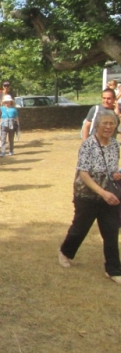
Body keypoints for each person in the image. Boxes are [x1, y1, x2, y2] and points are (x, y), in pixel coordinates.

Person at [59, 109, 121, 284]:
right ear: (97, 125)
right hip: (87, 194)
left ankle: (113, 269)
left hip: (109, 195)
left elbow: (112, 169)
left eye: (112, 123)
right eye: (105, 123)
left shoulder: (115, 145)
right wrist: (102, 193)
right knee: (80, 228)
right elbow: (84, 174)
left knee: (111, 231)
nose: (109, 127)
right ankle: (65, 252)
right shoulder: (88, 145)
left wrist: (116, 175)